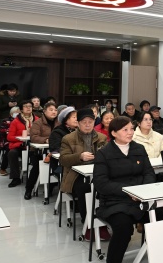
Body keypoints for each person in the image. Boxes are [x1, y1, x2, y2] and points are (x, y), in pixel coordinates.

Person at [93, 116, 156, 263]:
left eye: (132, 129)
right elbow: (101, 183)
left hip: (141, 200)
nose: (130, 132)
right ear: (114, 133)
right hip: (114, 202)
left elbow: (149, 173)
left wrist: (143, 191)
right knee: (123, 228)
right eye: (125, 130)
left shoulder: (139, 148)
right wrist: (129, 191)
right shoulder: (104, 153)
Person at [59, 108, 107, 239]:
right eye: (84, 122)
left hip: (97, 173)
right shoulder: (68, 139)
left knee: (106, 187)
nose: (87, 125)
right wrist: (79, 156)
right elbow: (63, 159)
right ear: (78, 123)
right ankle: (88, 224)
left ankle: (102, 222)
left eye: (90, 122)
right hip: (75, 175)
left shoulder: (102, 137)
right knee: (85, 188)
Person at [24, 101, 58, 200]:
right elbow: (33, 137)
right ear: (44, 111)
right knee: (37, 167)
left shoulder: (59, 122)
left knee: (56, 166)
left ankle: (50, 189)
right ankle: (29, 189)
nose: (54, 112)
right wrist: (46, 140)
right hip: (37, 151)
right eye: (51, 110)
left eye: (55, 110)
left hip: (53, 151)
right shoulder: (38, 123)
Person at [6, 100, 38, 187]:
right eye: (25, 106)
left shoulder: (37, 120)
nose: (28, 108)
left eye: (30, 106)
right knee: (12, 153)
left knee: (37, 155)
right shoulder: (16, 121)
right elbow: (9, 137)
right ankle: (15, 178)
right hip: (20, 145)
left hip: (33, 146)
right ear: (21, 109)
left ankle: (36, 177)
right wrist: (22, 138)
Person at [0, 106, 20, 176]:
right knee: (9, 149)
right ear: (11, 114)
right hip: (7, 140)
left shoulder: (22, 120)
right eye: (16, 112)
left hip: (19, 140)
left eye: (19, 112)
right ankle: (3, 168)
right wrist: (9, 130)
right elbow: (1, 130)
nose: (17, 114)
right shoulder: (5, 121)